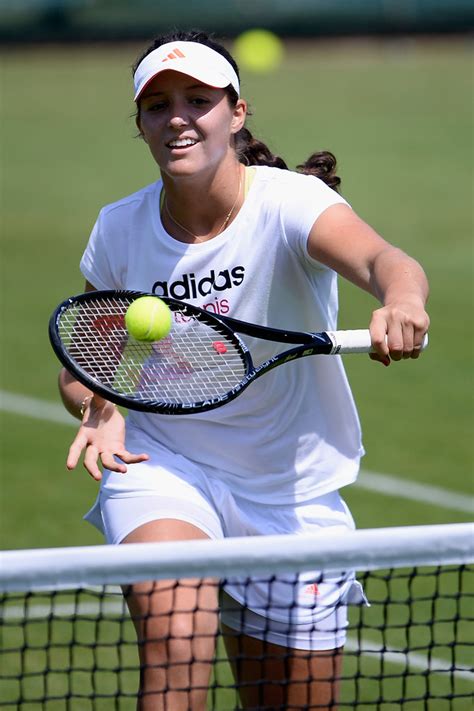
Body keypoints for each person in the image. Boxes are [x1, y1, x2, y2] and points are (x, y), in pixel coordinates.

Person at [58, 29, 430, 711]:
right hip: (163, 465)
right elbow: (83, 366)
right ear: (138, 124)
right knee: (177, 642)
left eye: (198, 100)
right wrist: (99, 406)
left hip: (290, 491)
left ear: (237, 111)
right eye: (157, 104)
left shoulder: (289, 204)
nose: (177, 118)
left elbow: (387, 262)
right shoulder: (119, 231)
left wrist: (402, 302)